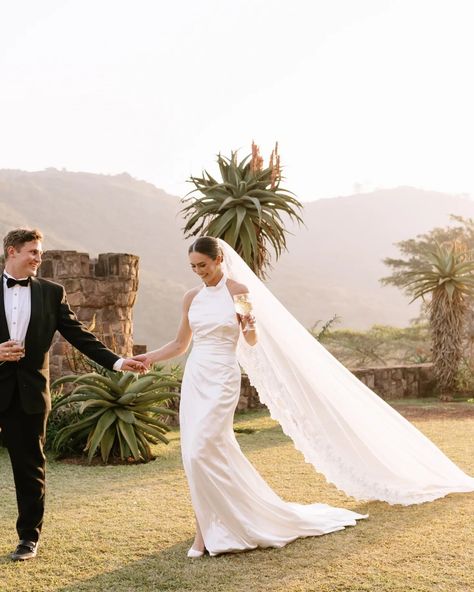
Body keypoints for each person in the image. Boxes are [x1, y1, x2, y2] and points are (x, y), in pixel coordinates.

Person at [133, 237, 368, 558]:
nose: (199, 272)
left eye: (203, 265)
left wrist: (250, 325)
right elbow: (179, 344)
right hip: (197, 377)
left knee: (202, 450)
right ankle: (204, 530)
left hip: (223, 377)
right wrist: (147, 359)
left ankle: (214, 529)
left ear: (218, 260)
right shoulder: (191, 298)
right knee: (194, 454)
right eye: (193, 267)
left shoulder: (238, 291)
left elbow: (252, 339)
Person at [0, 228, 145, 562]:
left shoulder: (52, 293)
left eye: (40, 251)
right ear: (12, 251)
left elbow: (80, 336)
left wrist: (119, 361)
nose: (39, 257)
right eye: (33, 252)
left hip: (29, 396)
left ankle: (28, 540)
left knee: (30, 469)